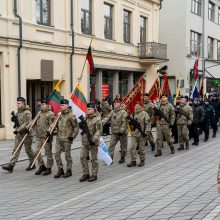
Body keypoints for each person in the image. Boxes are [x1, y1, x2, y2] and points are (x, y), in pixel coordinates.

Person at [2, 97, 35, 172]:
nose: (17, 104)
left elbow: (27, 123)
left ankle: (32, 163)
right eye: (17, 103)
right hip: (19, 134)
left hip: (27, 134)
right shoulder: (18, 112)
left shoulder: (27, 112)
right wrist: (14, 120)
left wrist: (18, 130)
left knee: (28, 150)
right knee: (15, 149)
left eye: (19, 103)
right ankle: (11, 165)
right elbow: (18, 123)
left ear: (23, 103)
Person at [51, 99, 79, 178]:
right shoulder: (59, 115)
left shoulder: (71, 115)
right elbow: (54, 124)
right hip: (59, 138)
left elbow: (76, 127)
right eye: (61, 105)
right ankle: (60, 169)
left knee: (67, 156)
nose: (61, 106)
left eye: (63, 105)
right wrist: (49, 131)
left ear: (67, 105)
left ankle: (69, 170)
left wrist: (72, 136)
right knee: (56, 154)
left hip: (67, 139)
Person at [79, 103, 103, 182]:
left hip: (93, 142)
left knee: (94, 159)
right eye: (87, 109)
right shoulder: (86, 117)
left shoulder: (97, 119)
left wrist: (93, 139)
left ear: (93, 109)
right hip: (85, 141)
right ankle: (86, 173)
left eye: (89, 109)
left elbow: (99, 131)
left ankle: (94, 174)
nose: (87, 110)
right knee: (82, 157)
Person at [34, 98, 55, 176]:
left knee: (48, 152)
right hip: (39, 136)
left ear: (47, 105)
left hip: (46, 136)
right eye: (40, 105)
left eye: (43, 104)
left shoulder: (51, 114)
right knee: (36, 152)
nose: (41, 106)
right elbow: (34, 121)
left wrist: (49, 133)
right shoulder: (39, 113)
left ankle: (49, 168)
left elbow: (52, 126)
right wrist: (28, 127)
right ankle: (41, 165)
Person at [127, 102, 151, 167]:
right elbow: (130, 124)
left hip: (141, 134)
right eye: (135, 106)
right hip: (134, 134)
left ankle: (142, 160)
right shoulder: (133, 114)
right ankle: (133, 161)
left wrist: (146, 133)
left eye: (137, 106)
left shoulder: (144, 114)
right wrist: (131, 129)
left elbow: (148, 124)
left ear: (141, 106)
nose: (136, 107)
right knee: (132, 147)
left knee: (141, 148)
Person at [108, 98, 128, 163]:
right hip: (114, 132)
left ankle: (122, 157)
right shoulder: (112, 112)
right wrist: (100, 123)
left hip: (122, 133)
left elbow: (124, 123)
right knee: (111, 145)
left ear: (120, 104)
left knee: (123, 146)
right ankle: (110, 158)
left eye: (116, 103)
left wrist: (121, 131)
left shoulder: (123, 112)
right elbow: (107, 118)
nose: (115, 104)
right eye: (114, 103)